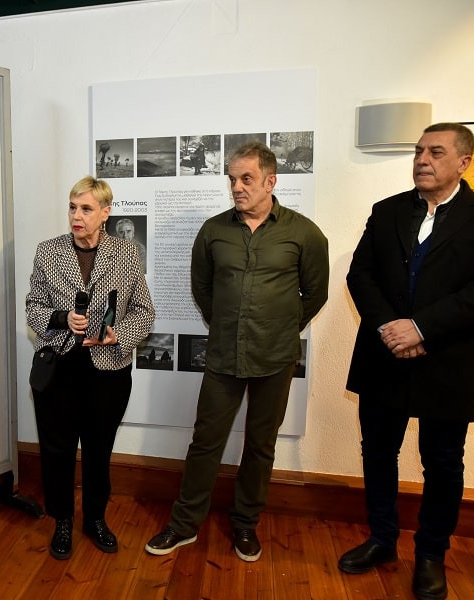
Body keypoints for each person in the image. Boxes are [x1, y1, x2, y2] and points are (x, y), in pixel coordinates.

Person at [145, 141, 329, 562]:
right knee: (205, 441)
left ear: (270, 181)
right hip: (224, 356)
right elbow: (202, 288)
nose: (237, 187)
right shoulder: (213, 231)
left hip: (275, 358)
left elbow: (314, 294)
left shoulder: (304, 233)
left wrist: (280, 328)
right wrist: (227, 325)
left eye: (247, 179)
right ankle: (184, 524)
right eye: (232, 179)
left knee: (261, 445)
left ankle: (245, 523)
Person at [338, 122, 474, 600]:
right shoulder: (386, 211)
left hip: (447, 360)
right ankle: (382, 539)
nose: (422, 159)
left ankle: (430, 555)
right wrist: (392, 328)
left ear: (464, 162)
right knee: (377, 452)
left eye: (436, 152)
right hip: (384, 355)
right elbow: (360, 275)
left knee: (442, 463)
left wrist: (421, 328)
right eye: (419, 151)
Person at [26, 175, 154, 560]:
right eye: (72, 207)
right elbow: (33, 307)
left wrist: (119, 335)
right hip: (60, 367)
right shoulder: (48, 252)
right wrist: (62, 317)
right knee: (58, 451)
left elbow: (144, 311)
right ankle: (62, 520)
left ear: (105, 213)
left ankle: (95, 519)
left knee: (99, 450)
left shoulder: (126, 253)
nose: (76, 216)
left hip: (108, 368)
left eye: (85, 209)